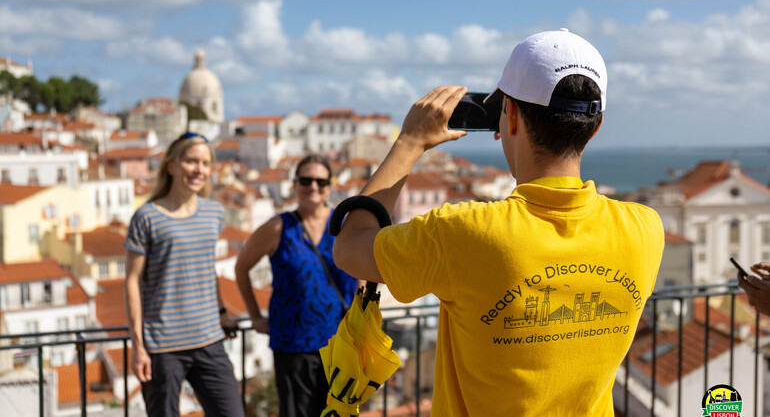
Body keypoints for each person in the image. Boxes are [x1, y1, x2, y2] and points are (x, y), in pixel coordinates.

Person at [333, 29, 665, 415]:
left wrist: (409, 142)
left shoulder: (463, 233)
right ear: (596, 126)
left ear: (512, 117)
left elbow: (349, 248)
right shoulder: (645, 230)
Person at [124, 132, 244, 417]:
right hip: (162, 346)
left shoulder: (214, 213)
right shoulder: (147, 217)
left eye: (205, 163)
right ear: (171, 165)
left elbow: (206, 268)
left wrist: (221, 312)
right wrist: (138, 346)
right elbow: (132, 281)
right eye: (191, 161)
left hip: (209, 339)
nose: (199, 169)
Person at [235, 154, 358, 417]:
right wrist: (255, 316)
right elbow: (241, 267)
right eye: (306, 180)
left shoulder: (344, 227)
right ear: (294, 184)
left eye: (321, 181)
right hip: (293, 343)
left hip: (340, 344)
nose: (313, 186)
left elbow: (362, 274)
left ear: (330, 186)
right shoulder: (279, 227)